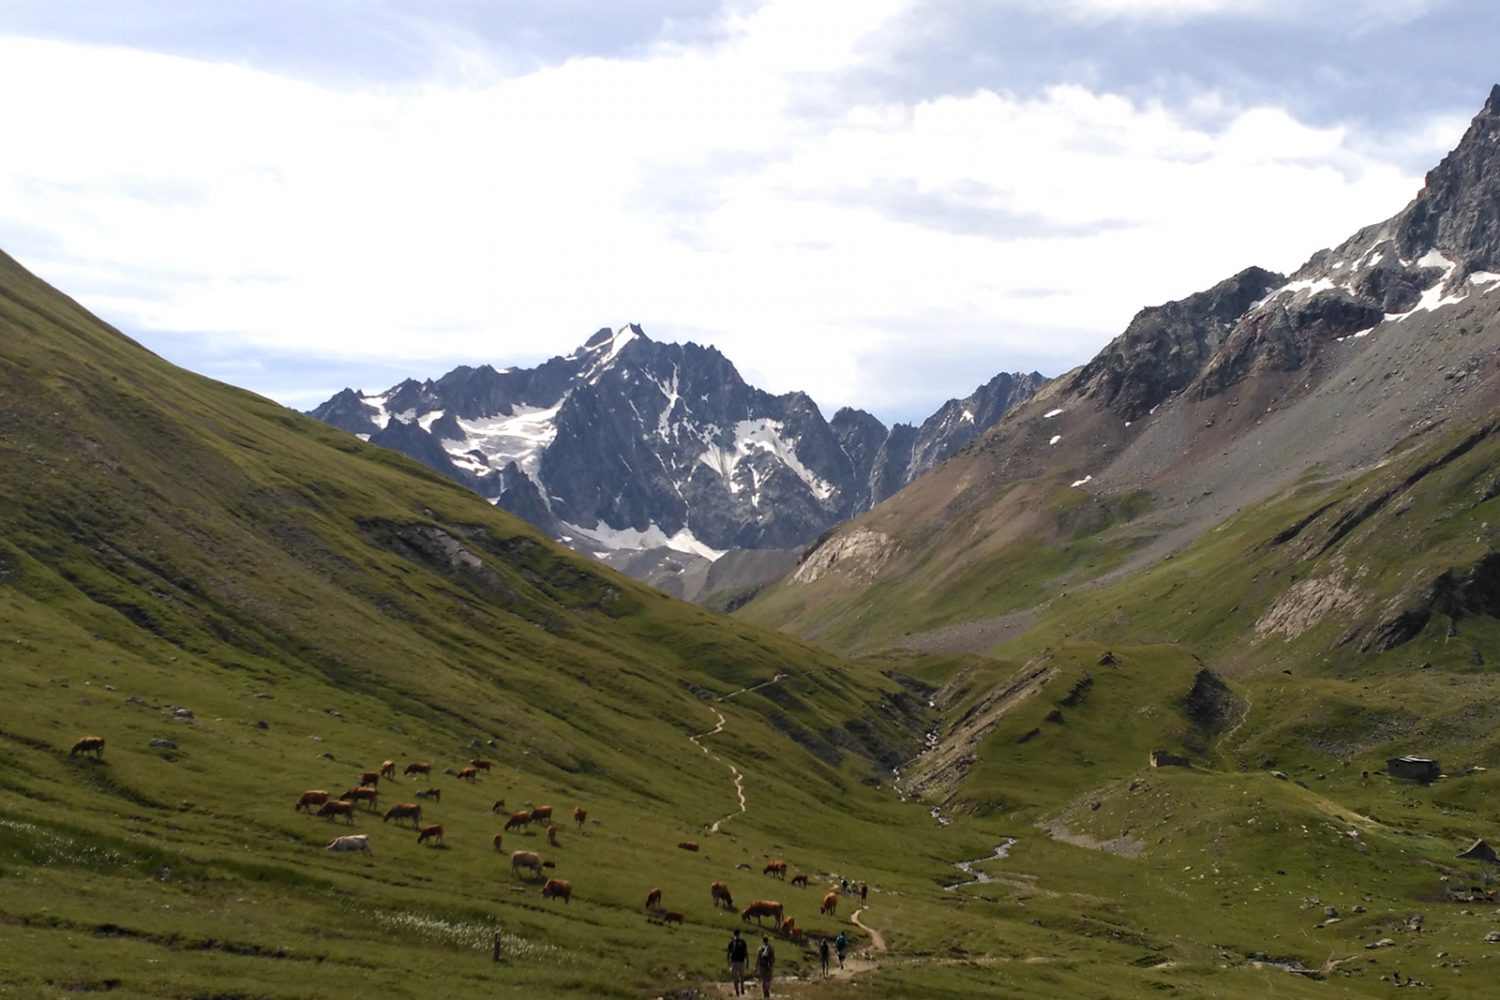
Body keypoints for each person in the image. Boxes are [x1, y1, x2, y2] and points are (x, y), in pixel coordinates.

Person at [726, 928, 749, 996]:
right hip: (741, 961)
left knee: (735, 977)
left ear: (734, 934)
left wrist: (728, 962)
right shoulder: (743, 942)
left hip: (734, 962)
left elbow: (728, 953)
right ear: (739, 934)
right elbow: (746, 953)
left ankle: (736, 991)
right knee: (742, 976)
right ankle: (742, 987)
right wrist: (747, 962)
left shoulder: (731, 942)